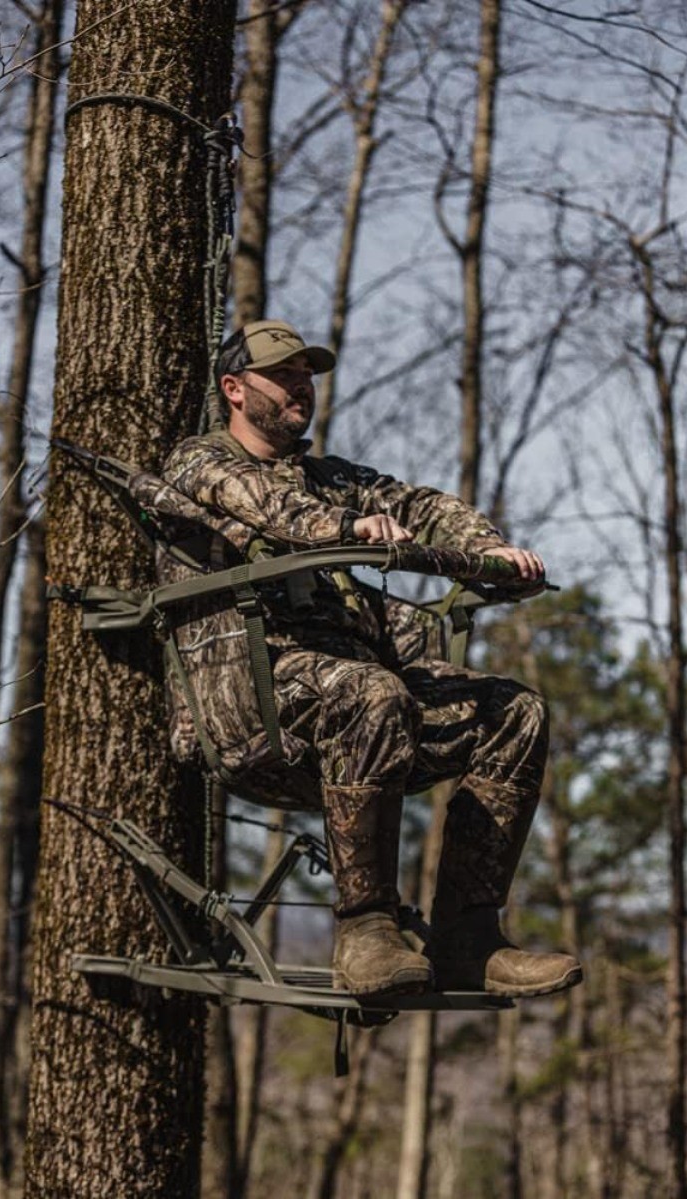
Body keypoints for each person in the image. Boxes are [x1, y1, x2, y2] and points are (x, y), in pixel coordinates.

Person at [154, 319, 582, 1000]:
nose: (301, 386)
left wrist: (489, 547)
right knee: (372, 693)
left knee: (514, 713)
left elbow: (418, 504)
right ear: (234, 388)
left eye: (306, 375)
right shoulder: (198, 461)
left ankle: (468, 938)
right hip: (254, 704)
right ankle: (366, 933)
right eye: (282, 374)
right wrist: (347, 527)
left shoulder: (330, 478)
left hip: (356, 695)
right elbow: (267, 506)